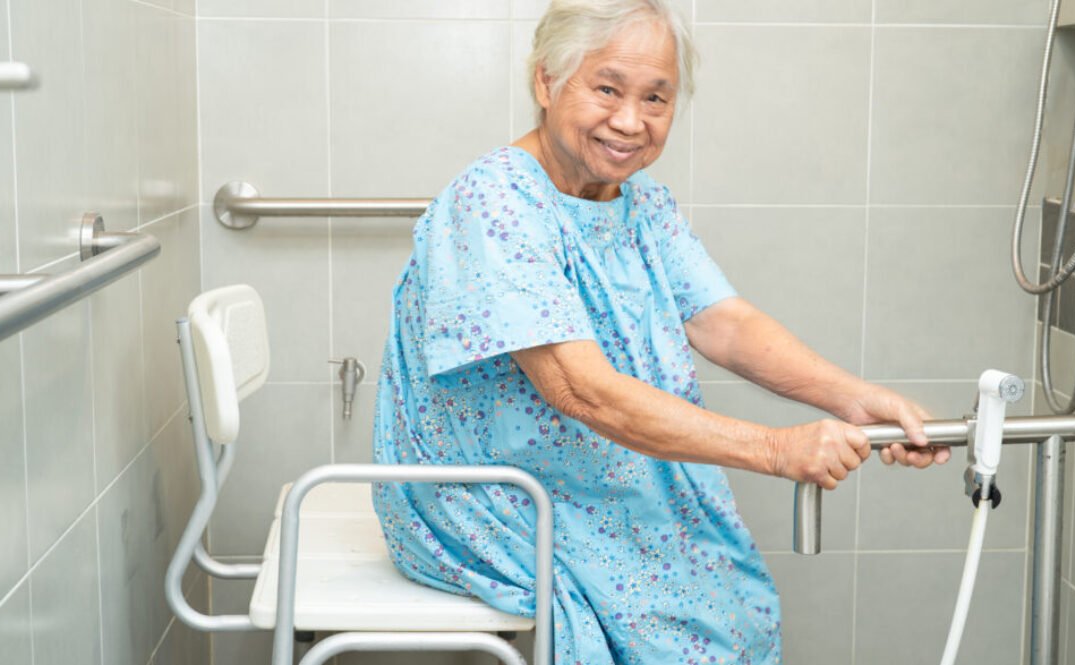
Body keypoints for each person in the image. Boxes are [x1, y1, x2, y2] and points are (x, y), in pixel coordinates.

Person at [372, 1, 949, 662]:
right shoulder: (495, 202)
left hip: (585, 471)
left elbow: (723, 322)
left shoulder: (640, 203)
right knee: (674, 623)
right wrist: (776, 450)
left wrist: (853, 397)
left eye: (656, 98)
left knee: (725, 600)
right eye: (608, 88)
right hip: (484, 493)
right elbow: (578, 390)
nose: (630, 121)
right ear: (546, 83)